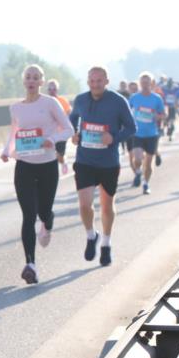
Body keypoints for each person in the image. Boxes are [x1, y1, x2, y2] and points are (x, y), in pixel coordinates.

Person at [1, 65, 73, 284]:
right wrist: (6, 151)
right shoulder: (16, 108)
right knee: (28, 216)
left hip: (47, 165)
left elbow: (68, 129)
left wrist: (52, 139)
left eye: (35, 78)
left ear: (41, 82)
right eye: (28, 77)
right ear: (24, 82)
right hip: (24, 165)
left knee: (44, 211)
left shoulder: (50, 103)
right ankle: (30, 264)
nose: (31, 81)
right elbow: (15, 132)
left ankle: (48, 222)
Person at [69, 66, 137, 267]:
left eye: (99, 81)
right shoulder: (81, 100)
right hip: (85, 160)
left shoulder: (118, 101)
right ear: (88, 81)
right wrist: (74, 134)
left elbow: (132, 127)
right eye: (92, 81)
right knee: (84, 204)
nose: (95, 84)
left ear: (106, 81)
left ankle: (106, 242)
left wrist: (113, 138)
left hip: (108, 162)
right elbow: (72, 119)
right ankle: (91, 235)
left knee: (107, 206)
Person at [128, 72, 166, 195]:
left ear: (152, 83)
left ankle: (146, 184)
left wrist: (158, 116)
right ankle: (138, 172)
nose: (145, 85)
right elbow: (126, 112)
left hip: (151, 134)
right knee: (137, 159)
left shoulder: (157, 98)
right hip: (137, 133)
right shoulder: (134, 97)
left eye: (147, 82)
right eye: (143, 82)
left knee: (148, 163)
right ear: (140, 84)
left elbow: (164, 114)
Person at [46, 79, 72, 174]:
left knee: (60, 155)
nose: (52, 91)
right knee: (50, 154)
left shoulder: (63, 101)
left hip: (61, 133)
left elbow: (70, 114)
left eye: (54, 89)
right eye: (50, 89)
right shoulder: (44, 101)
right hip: (49, 133)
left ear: (57, 90)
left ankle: (63, 162)